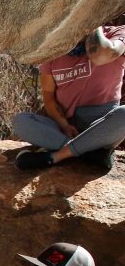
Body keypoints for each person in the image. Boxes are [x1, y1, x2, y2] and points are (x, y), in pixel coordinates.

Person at [14, 26, 125, 170]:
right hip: (65, 127)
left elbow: (101, 55)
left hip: (102, 127)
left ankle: (56, 156)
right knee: (20, 121)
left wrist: (93, 24)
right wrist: (64, 125)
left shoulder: (117, 33)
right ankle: (90, 154)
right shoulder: (55, 48)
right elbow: (48, 96)